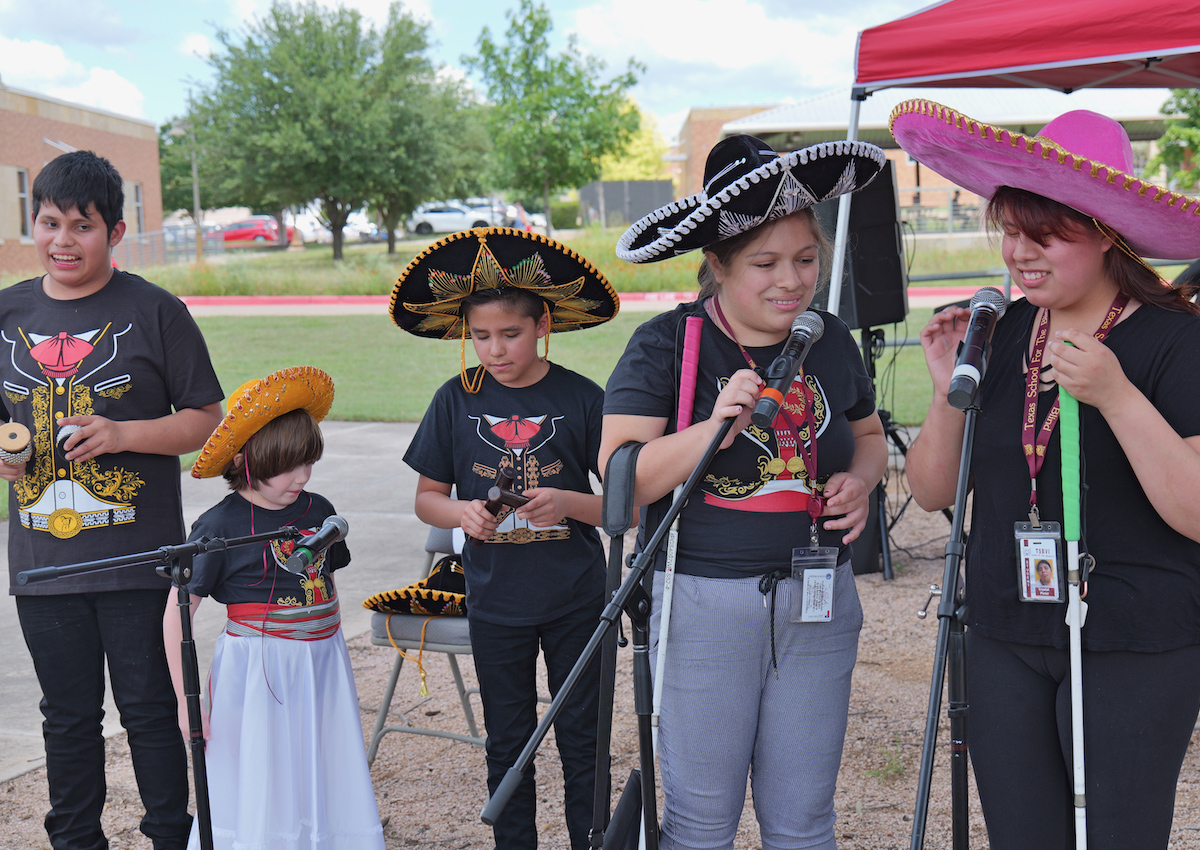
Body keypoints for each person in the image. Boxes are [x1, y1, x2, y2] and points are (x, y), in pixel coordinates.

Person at [893, 100, 1200, 850]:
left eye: (1044, 236)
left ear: (1104, 235)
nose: (1020, 255)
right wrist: (946, 387)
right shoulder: (995, 334)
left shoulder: (1173, 340)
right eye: (1009, 233)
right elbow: (932, 493)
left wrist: (1118, 397)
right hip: (1003, 625)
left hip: (1133, 636)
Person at [601, 133, 890, 849]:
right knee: (701, 823)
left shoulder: (831, 342)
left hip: (819, 603)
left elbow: (872, 439)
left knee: (805, 822)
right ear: (718, 267)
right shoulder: (668, 343)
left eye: (805, 259)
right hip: (704, 602)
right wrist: (710, 428)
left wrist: (860, 479)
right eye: (765, 263)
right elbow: (617, 480)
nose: (791, 281)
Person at [1, 150, 224, 850]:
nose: (62, 240)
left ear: (116, 233)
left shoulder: (155, 310)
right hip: (44, 563)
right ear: (30, 224)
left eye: (81, 225)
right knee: (66, 718)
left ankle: (168, 838)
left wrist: (123, 431)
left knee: (151, 711)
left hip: (140, 560)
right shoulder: (7, 311)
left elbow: (205, 420)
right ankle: (75, 841)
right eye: (48, 222)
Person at [393, 227, 619, 850]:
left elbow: (624, 505)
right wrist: (462, 513)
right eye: (481, 336)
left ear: (543, 323)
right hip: (496, 603)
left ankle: (590, 840)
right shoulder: (453, 399)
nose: (495, 350)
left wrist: (569, 502)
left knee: (583, 738)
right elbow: (426, 499)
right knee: (508, 742)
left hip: (578, 599)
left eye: (510, 334)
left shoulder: (583, 397)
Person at [163, 366, 385, 850]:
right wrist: (186, 702)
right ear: (245, 460)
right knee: (261, 769)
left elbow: (325, 576)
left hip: (323, 661)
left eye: (309, 463)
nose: (302, 477)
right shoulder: (219, 525)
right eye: (288, 466)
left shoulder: (317, 508)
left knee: (324, 759)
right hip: (257, 668)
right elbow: (174, 614)